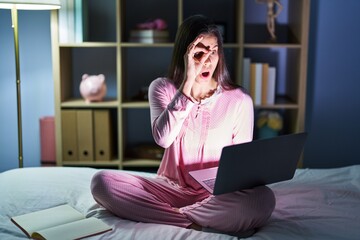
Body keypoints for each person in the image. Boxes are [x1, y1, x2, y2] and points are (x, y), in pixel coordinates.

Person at [91, 15, 275, 237]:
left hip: (215, 195)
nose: (207, 61)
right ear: (185, 55)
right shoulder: (162, 88)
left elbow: (241, 166)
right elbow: (163, 139)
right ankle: (192, 221)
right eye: (199, 53)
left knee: (264, 199)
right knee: (101, 182)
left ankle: (177, 216)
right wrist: (188, 83)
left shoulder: (239, 100)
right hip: (169, 189)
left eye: (214, 51)